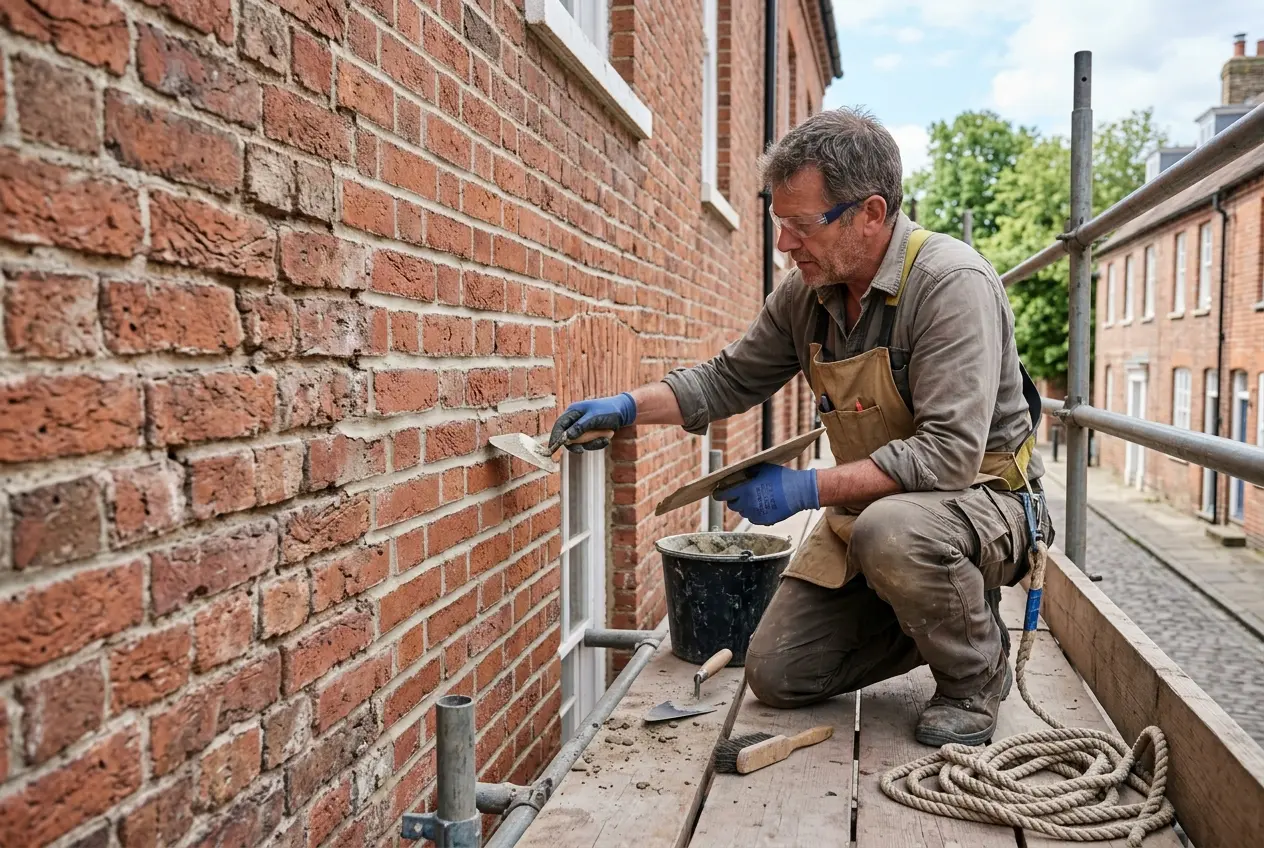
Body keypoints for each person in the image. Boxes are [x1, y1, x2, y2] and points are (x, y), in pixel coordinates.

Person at [546, 108, 1053, 746]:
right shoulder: (807, 294)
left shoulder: (950, 284)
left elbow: (949, 456)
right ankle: (939, 612)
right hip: (883, 517)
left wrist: (804, 489)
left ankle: (975, 674)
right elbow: (728, 378)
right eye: (778, 222)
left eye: (802, 225)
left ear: (871, 214)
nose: (784, 244)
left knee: (892, 532)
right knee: (778, 672)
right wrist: (627, 406)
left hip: (986, 503)